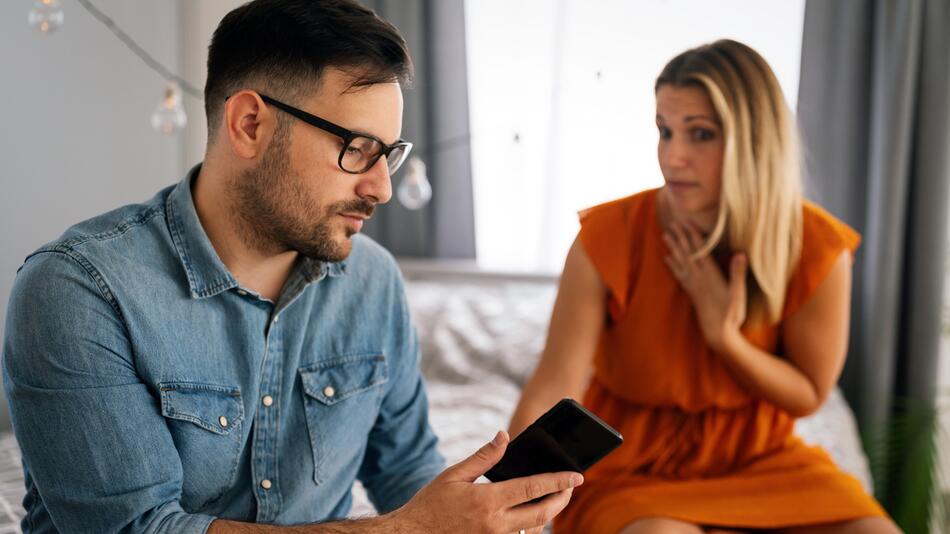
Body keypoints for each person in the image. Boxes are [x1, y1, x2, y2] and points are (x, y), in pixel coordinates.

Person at [1, 1, 582, 532]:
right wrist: (406, 531)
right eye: (357, 148)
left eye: (390, 154)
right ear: (250, 125)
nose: (381, 186)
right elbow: (137, 528)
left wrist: (471, 514)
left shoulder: (373, 282)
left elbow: (406, 470)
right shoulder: (78, 291)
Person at [508, 39, 900, 534]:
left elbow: (806, 395)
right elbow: (555, 381)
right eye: (664, 131)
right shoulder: (608, 236)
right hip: (632, 470)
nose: (673, 157)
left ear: (755, 141)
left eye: (700, 135)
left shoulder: (817, 246)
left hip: (762, 463)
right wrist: (513, 488)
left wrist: (725, 338)